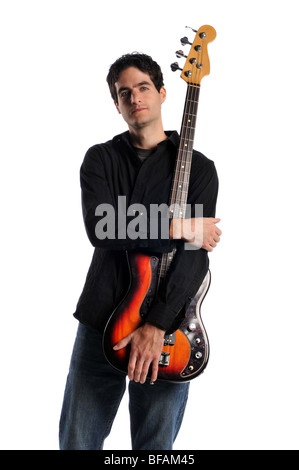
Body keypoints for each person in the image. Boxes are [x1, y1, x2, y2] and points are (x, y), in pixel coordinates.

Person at [59, 53, 221, 450]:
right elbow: (102, 229)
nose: (135, 98)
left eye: (143, 87)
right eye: (124, 93)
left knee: (155, 448)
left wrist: (157, 324)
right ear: (116, 104)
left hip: (171, 330)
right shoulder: (100, 159)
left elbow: (195, 255)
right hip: (102, 324)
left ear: (163, 93)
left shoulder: (200, 169)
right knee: (77, 443)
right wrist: (179, 226)